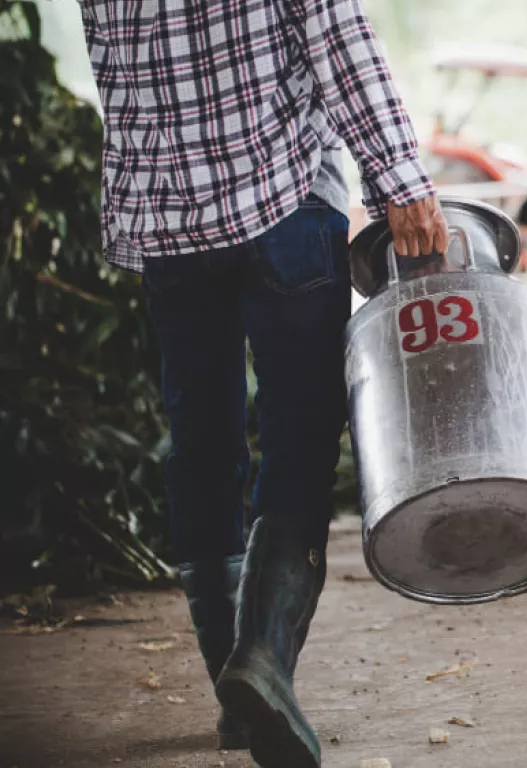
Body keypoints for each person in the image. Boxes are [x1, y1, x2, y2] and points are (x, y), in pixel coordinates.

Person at [75, 3, 448, 766]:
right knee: (302, 433)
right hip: (284, 201)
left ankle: (236, 697)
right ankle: (264, 659)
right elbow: (336, 35)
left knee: (201, 439)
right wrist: (400, 178)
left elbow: (113, 62)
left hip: (169, 220)